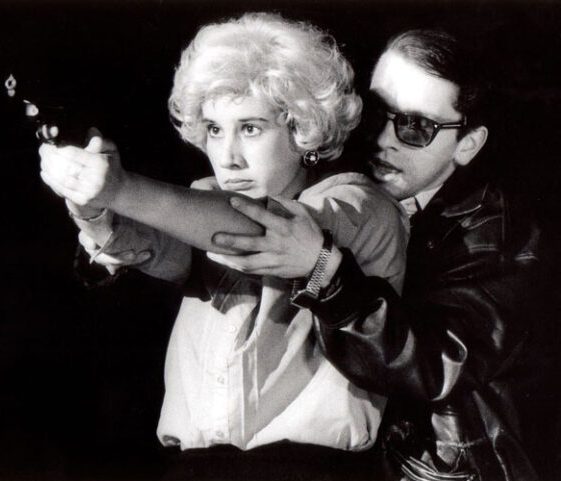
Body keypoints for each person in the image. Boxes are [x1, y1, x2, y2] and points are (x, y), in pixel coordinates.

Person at [38, 12, 407, 480]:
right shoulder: (204, 203)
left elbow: (254, 227)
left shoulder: (358, 204)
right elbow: (149, 242)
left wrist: (120, 189)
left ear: (303, 129)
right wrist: (91, 207)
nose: (228, 156)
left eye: (250, 128)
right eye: (214, 129)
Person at [209, 29, 543, 480]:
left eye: (416, 126)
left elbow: (437, 364)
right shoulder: (337, 175)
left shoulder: (501, 235)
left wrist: (325, 272)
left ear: (468, 144)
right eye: (377, 113)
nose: (384, 138)